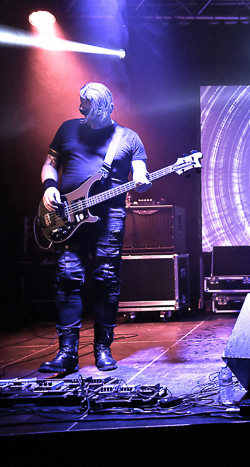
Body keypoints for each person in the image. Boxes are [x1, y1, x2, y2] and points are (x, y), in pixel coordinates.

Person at [39, 82, 152, 373]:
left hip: (110, 216)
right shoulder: (67, 129)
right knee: (67, 278)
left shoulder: (128, 137)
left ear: (109, 108)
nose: (85, 115)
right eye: (82, 108)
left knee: (106, 279)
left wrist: (142, 181)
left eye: (91, 111)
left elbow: (140, 172)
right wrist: (50, 186)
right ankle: (67, 353)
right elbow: (50, 164)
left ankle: (103, 349)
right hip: (67, 215)